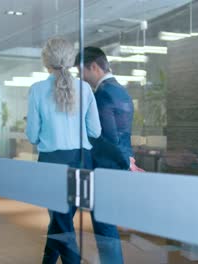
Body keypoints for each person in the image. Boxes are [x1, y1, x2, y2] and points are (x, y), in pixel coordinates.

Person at [26, 38, 101, 264]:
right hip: (82, 160)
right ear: (70, 60)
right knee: (63, 220)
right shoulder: (85, 88)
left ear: (45, 61)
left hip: (52, 162)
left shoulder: (37, 90)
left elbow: (32, 136)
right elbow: (95, 131)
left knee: (61, 221)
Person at [75, 46, 138, 263]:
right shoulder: (121, 90)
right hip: (118, 164)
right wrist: (127, 160)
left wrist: (125, 162)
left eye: (80, 71)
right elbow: (122, 136)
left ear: (93, 67)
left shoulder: (102, 95)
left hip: (105, 168)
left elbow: (105, 138)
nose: (80, 77)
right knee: (108, 224)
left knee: (104, 227)